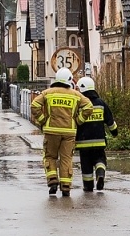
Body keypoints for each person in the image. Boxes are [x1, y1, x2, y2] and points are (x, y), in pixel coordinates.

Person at [31, 68, 93, 196]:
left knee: (50, 156)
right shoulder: (75, 95)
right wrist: (78, 121)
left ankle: (52, 180)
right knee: (66, 158)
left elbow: (34, 105)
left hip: (51, 131)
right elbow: (89, 107)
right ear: (69, 80)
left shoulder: (47, 93)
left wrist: (43, 121)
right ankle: (65, 186)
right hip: (69, 132)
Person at [74, 76, 118, 192]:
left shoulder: (79, 105)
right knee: (100, 159)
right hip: (99, 141)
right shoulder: (101, 103)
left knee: (86, 165)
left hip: (83, 143)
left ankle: (88, 186)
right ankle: (100, 174)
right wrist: (114, 132)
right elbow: (110, 121)